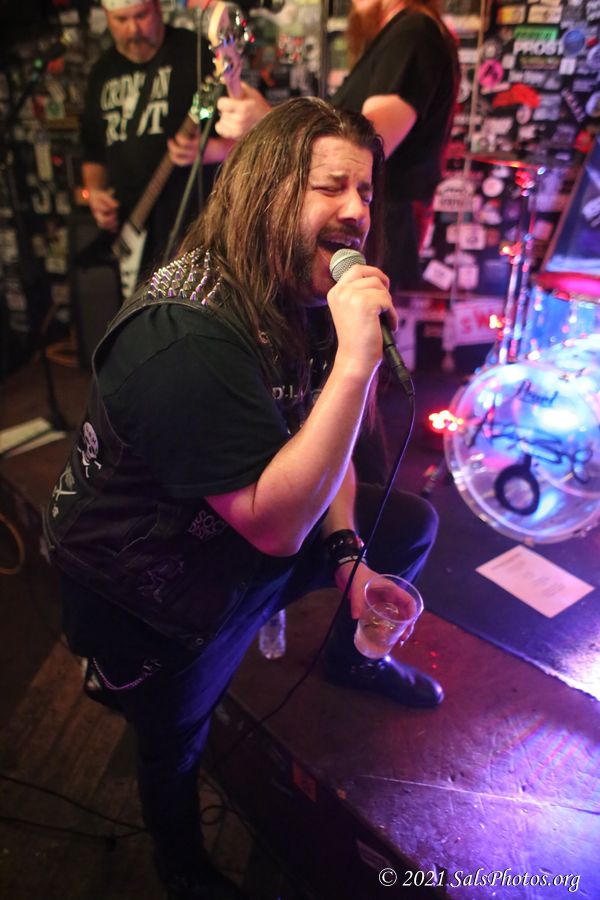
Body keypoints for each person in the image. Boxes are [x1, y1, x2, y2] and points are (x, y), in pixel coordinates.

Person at [44, 98, 441, 900]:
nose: (357, 211)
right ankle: (183, 869)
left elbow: (324, 453)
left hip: (241, 533)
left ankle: (350, 657)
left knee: (404, 527)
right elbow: (275, 524)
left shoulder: (308, 290)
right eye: (331, 187)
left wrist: (347, 562)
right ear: (265, 190)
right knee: (174, 741)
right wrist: (357, 365)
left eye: (366, 191)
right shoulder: (185, 333)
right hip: (147, 585)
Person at [215, 0, 459, 482]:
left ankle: (347, 493)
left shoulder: (413, 32)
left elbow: (365, 147)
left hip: (368, 230)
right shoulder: (397, 35)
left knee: (342, 364)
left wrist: (272, 128)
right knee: (327, 364)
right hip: (365, 226)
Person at [81, 0, 230, 288]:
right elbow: (93, 150)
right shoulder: (102, 72)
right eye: (121, 20)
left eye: (141, 16)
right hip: (130, 230)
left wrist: (212, 150)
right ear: (107, 17)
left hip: (194, 229)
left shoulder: (195, 53)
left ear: (157, 7)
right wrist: (96, 194)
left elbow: (250, 136)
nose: (133, 29)